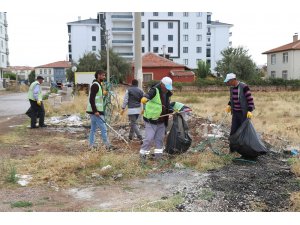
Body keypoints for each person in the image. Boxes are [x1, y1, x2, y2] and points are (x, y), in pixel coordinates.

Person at [139, 76, 173, 161]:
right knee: (149, 138)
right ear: (162, 84)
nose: (167, 89)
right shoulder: (155, 90)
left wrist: (171, 110)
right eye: (166, 87)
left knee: (159, 139)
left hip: (162, 120)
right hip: (151, 120)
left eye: (168, 88)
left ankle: (158, 157)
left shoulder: (167, 93)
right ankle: (143, 156)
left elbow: (167, 104)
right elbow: (148, 95)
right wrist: (145, 98)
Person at [86, 70, 114, 150]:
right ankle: (107, 146)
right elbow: (91, 99)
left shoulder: (98, 85)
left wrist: (103, 93)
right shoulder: (95, 85)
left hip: (95, 112)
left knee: (93, 130)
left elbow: (97, 97)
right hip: (96, 112)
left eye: (104, 75)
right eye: (103, 75)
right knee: (104, 129)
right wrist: (95, 111)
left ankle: (91, 146)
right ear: (98, 75)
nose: (104, 77)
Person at [120, 79, 144, 144]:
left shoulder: (129, 90)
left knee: (133, 124)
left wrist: (123, 108)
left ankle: (140, 137)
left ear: (132, 83)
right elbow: (144, 100)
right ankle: (130, 137)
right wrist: (144, 109)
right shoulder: (141, 90)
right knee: (133, 123)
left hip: (131, 110)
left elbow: (126, 100)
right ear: (137, 84)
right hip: (138, 110)